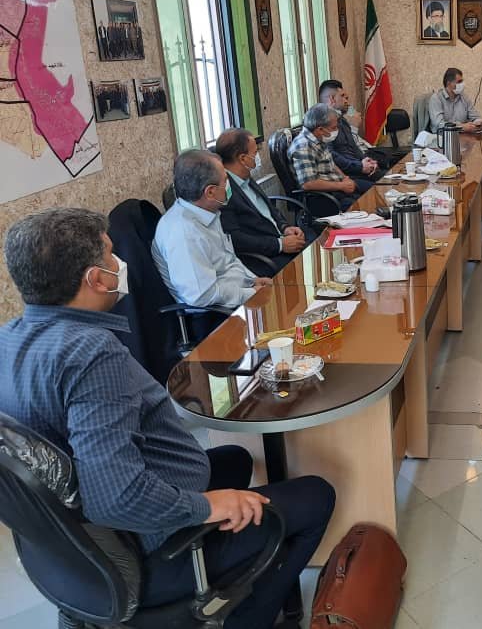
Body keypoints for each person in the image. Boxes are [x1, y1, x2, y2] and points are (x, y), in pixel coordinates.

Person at [0, 208, 335, 629]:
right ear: (96, 279)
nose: (120, 262)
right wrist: (206, 506)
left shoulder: (7, 340)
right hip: (143, 548)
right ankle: (252, 619)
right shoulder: (91, 355)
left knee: (235, 459)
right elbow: (114, 497)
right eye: (110, 254)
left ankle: (237, 572)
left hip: (72, 550)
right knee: (317, 496)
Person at [153, 150, 272, 313]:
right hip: (217, 314)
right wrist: (250, 293)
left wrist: (252, 280)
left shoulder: (207, 212)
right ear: (210, 192)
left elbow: (228, 259)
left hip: (237, 294)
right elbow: (203, 296)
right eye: (225, 180)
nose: (229, 184)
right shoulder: (184, 233)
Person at [215, 128, 310, 276]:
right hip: (265, 258)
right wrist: (280, 245)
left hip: (281, 240)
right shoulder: (224, 191)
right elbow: (236, 239)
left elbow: (269, 209)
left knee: (319, 244)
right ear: (242, 158)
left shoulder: (245, 176)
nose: (258, 156)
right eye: (255, 152)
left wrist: (285, 228)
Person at [288, 103, 360, 216]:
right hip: (323, 198)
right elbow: (308, 184)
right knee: (362, 209)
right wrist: (341, 186)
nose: (336, 130)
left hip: (337, 189)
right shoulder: (303, 147)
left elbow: (331, 164)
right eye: (334, 128)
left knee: (368, 194)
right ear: (320, 129)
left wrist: (345, 178)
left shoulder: (318, 138)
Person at [317, 79, 382, 192]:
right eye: (343, 96)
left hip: (358, 167)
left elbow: (354, 147)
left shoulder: (342, 120)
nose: (347, 101)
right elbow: (332, 157)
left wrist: (366, 160)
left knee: (391, 179)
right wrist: (360, 166)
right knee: (380, 189)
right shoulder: (323, 124)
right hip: (347, 175)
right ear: (332, 99)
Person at [428, 67, 482, 132]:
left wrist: (479, 122)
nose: (462, 84)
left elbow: (475, 116)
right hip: (442, 136)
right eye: (459, 82)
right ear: (449, 83)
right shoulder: (436, 99)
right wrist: (461, 127)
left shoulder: (464, 97)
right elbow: (439, 124)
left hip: (463, 135)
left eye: (462, 81)